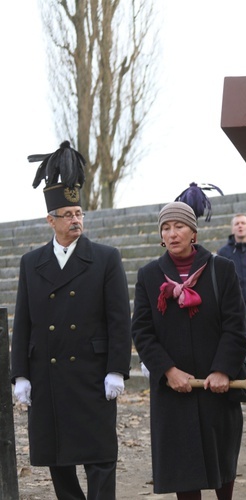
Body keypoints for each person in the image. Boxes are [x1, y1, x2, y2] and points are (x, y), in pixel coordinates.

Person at [11, 141, 132, 500]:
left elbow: (119, 320)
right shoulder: (31, 263)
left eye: (79, 212)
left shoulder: (106, 259)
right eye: (67, 214)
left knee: (100, 457)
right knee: (57, 457)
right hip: (47, 374)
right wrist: (20, 373)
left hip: (92, 374)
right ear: (51, 220)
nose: (76, 219)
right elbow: (24, 322)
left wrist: (116, 369)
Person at [131, 201, 246, 499]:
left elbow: (236, 326)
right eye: (166, 228)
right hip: (174, 390)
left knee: (222, 462)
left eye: (179, 226)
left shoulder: (221, 269)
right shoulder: (149, 275)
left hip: (216, 387)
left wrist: (223, 369)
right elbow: (142, 332)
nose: (172, 234)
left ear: (193, 232)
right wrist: (168, 371)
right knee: (183, 469)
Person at [217, 213, 246, 340]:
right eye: (237, 224)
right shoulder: (223, 253)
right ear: (232, 229)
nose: (240, 226)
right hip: (234, 309)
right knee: (239, 345)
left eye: (243, 223)